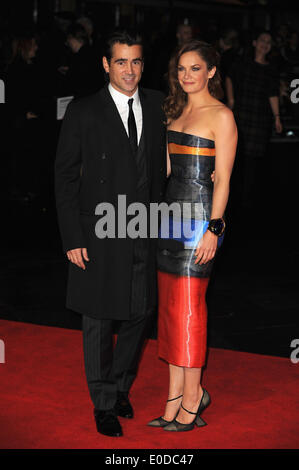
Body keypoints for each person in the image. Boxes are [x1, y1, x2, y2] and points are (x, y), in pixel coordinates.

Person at [54, 31, 167, 437]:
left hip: (144, 227)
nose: (130, 71)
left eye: (136, 61)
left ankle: (119, 385)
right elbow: (64, 178)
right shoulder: (84, 111)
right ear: (106, 64)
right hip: (98, 229)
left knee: (141, 311)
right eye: (121, 62)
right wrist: (72, 238)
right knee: (99, 319)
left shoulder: (156, 104)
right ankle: (102, 402)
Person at [148, 40, 237, 432]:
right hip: (170, 218)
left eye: (195, 68)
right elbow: (163, 172)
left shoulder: (222, 116)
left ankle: (193, 397)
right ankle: (173, 399)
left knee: (188, 310)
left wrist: (214, 228)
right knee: (168, 310)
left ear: (211, 72)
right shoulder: (175, 111)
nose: (187, 75)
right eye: (181, 69)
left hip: (200, 219)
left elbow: (224, 182)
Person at [225, 30, 283, 210]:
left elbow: (273, 94)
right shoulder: (243, 64)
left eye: (269, 42)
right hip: (241, 115)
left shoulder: (271, 70)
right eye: (263, 40)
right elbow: (229, 78)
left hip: (260, 118)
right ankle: (232, 197)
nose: (265, 44)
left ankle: (246, 202)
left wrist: (277, 117)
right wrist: (231, 99)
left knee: (253, 162)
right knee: (236, 157)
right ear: (255, 43)